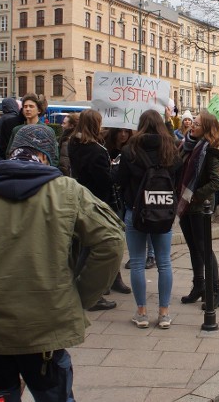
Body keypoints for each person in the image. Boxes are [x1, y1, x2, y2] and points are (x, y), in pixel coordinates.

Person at [0, 124, 125, 401]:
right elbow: (111, 240)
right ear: (48, 155)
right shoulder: (68, 191)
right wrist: (80, 296)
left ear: (11, 152)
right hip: (47, 327)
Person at [119, 110, 182, 329]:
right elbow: (177, 179)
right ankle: (164, 314)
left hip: (135, 211)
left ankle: (142, 313)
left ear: (142, 125)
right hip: (163, 210)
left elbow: (119, 180)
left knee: (136, 261)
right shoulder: (171, 150)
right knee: (164, 262)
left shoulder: (130, 150)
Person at [68, 109, 131, 310]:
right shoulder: (97, 150)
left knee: (84, 247)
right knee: (95, 248)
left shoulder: (74, 143)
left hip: (81, 197)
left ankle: (77, 289)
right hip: (98, 203)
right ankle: (90, 294)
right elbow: (106, 181)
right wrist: (116, 169)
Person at [177, 110, 219, 310]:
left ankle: (216, 291)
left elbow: (217, 181)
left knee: (204, 249)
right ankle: (199, 285)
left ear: (207, 128)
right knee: (193, 248)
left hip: (199, 206)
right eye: (193, 123)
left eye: (197, 124)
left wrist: (197, 195)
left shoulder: (211, 150)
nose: (193, 126)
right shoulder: (187, 145)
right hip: (185, 204)